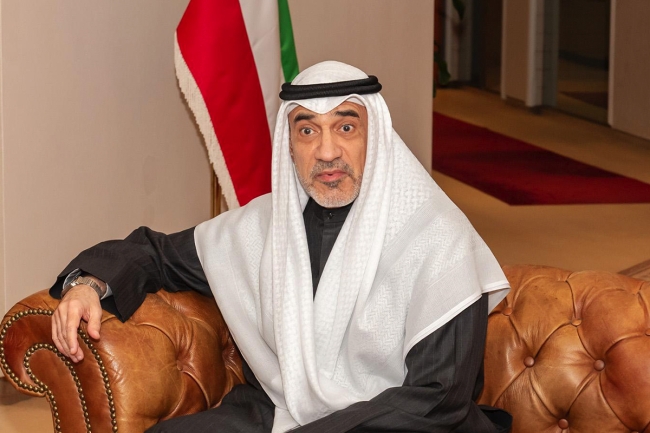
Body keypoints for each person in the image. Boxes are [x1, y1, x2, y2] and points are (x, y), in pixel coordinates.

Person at [50, 61, 512, 432]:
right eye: (307, 131)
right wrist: (89, 285)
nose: (327, 152)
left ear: (377, 138)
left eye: (346, 128)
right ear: (288, 145)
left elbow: (437, 397)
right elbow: (156, 253)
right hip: (281, 410)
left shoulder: (436, 236)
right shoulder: (262, 227)